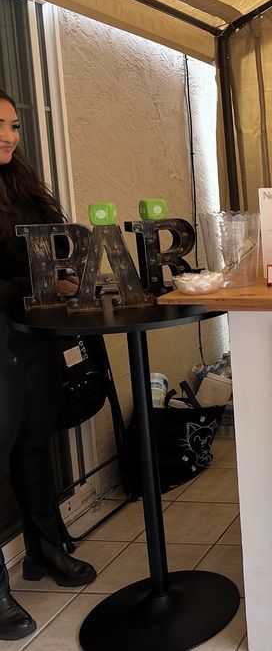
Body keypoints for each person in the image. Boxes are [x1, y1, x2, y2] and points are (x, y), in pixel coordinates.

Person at [0, 89, 96, 640]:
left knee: (35, 446)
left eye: (14, 125)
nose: (9, 136)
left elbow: (56, 249)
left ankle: (46, 549)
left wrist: (66, 274)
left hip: (32, 335)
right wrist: (32, 285)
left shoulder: (21, 184)